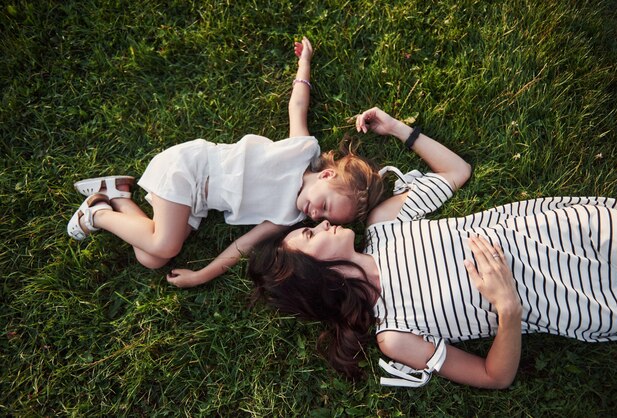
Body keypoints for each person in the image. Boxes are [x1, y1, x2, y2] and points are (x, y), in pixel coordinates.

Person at [248, 106, 617, 389]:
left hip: (575, 230)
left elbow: (455, 172)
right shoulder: (394, 334)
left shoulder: (383, 225)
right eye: (310, 236)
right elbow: (493, 376)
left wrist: (397, 128)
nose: (322, 223)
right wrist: (508, 308)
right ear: (312, 275)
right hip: (583, 300)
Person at [66, 37, 384, 288]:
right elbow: (297, 105)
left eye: (322, 218)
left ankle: (118, 195)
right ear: (327, 175)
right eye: (324, 207)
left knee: (151, 257)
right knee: (163, 245)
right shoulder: (301, 150)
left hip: (197, 203)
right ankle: (97, 213)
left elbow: (242, 246)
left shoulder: (289, 216)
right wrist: (305, 62)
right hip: (191, 170)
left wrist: (202, 274)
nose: (315, 216)